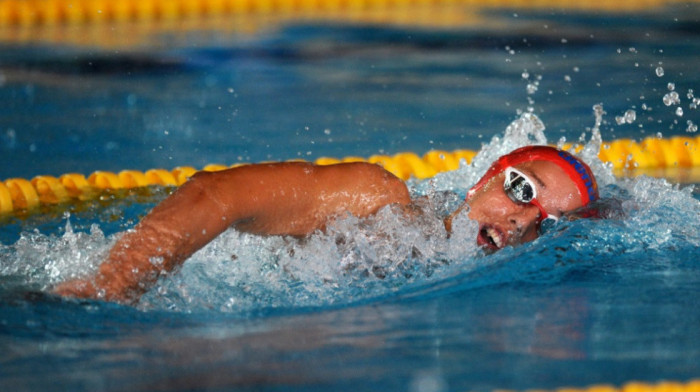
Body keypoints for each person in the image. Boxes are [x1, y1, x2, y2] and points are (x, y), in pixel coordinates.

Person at [55, 145, 598, 304]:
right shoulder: (378, 201)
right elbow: (216, 194)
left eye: (546, 222)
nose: (522, 218)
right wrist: (115, 285)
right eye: (522, 190)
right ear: (486, 179)